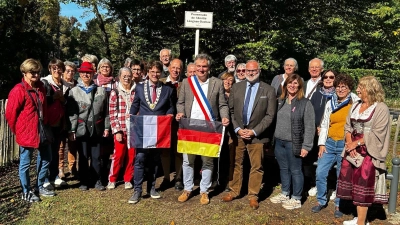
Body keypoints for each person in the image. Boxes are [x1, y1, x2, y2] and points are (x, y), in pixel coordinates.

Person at [222, 60, 277, 209]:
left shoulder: (268, 90)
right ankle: (234, 191)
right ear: (244, 71)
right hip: (238, 133)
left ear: (259, 71)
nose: (250, 73)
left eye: (253, 70)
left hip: (257, 135)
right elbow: (231, 110)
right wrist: (237, 129)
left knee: (256, 166)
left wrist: (254, 131)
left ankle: (253, 195)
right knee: (235, 163)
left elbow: (270, 115)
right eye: (248, 70)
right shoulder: (236, 87)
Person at [176, 53, 229, 205]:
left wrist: (225, 117)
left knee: (207, 160)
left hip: (209, 128)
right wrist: (180, 112)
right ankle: (187, 188)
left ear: (209, 68)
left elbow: (222, 104)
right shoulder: (187, 82)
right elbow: (180, 102)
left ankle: (204, 191)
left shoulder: (217, 83)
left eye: (204, 66)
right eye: (198, 66)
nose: (201, 69)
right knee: (188, 160)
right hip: (190, 127)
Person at [338, 76, 390, 225]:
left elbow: (378, 133)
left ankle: (361, 222)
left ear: (371, 90)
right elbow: (348, 126)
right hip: (352, 150)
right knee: (353, 184)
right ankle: (359, 218)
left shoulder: (381, 108)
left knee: (363, 184)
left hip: (368, 152)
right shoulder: (356, 105)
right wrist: (349, 143)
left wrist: (357, 143)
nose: (358, 90)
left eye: (361, 87)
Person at [5, 58, 55, 202]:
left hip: (42, 130)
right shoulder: (18, 90)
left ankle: (39, 185)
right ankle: (25, 191)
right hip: (27, 132)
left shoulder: (41, 87)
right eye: (32, 72)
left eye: (37, 72)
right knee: (25, 164)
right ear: (24, 73)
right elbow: (10, 114)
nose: (35, 75)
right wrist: (19, 131)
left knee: (47, 158)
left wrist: (45, 122)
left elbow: (44, 108)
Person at [128, 61, 176, 204]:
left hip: (158, 130)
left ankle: (152, 188)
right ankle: (137, 190)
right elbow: (135, 104)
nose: (155, 74)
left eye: (158, 72)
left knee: (155, 159)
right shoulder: (140, 87)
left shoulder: (168, 90)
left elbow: (171, 107)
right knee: (140, 158)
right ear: (148, 72)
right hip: (143, 128)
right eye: (152, 72)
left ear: (161, 73)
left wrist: (169, 114)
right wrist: (130, 116)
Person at [311, 73, 358, 218]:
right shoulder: (330, 102)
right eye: (338, 86)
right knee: (320, 172)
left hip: (345, 145)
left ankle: (339, 204)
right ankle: (321, 200)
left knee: (341, 176)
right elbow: (325, 124)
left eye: (344, 87)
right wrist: (321, 144)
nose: (341, 89)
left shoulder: (355, 102)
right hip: (330, 143)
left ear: (349, 88)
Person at [270, 74, 315, 210]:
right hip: (279, 142)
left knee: (295, 170)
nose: (292, 85)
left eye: (295, 83)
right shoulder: (280, 101)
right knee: (283, 169)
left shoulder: (305, 103)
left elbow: (310, 126)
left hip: (294, 143)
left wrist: (306, 146)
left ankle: (296, 198)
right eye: (290, 83)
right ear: (285, 85)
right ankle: (285, 193)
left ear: (300, 86)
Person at [67, 61, 110, 191]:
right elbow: (71, 113)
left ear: (93, 74)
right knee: (83, 155)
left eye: (89, 72)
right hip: (81, 128)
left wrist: (107, 127)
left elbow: (106, 111)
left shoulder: (101, 91)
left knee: (96, 156)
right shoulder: (73, 91)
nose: (86, 75)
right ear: (80, 74)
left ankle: (97, 180)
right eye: (84, 72)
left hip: (97, 128)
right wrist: (72, 129)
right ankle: (84, 181)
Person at [307, 70, 338, 197]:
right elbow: (310, 112)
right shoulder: (316, 94)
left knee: (332, 162)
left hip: (332, 134)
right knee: (316, 160)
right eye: (325, 76)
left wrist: (325, 129)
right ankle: (315, 184)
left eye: (331, 77)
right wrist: (315, 127)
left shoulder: (339, 95)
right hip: (316, 133)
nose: (328, 79)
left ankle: (332, 186)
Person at [41, 59, 71, 188]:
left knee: (55, 151)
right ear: (49, 69)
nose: (57, 71)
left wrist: (62, 98)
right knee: (45, 153)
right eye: (54, 68)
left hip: (60, 123)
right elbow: (42, 102)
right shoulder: (45, 83)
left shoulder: (66, 85)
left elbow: (67, 104)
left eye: (59, 68)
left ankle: (54, 176)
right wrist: (53, 97)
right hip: (47, 123)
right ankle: (43, 179)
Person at [107, 67, 136, 190]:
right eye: (124, 75)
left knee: (132, 155)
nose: (126, 78)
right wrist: (117, 130)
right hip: (121, 129)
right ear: (119, 77)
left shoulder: (136, 91)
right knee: (118, 155)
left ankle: (128, 179)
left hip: (134, 130)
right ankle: (112, 179)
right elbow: (112, 113)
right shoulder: (115, 92)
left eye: (129, 75)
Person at [159, 58, 184, 191]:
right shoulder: (161, 83)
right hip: (165, 123)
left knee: (179, 151)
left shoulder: (185, 83)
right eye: (173, 67)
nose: (175, 70)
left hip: (179, 123)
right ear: (169, 68)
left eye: (178, 68)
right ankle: (166, 177)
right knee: (165, 151)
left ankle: (179, 178)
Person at [94, 58, 117, 183]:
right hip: (99, 116)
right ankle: (100, 168)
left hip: (112, 114)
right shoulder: (95, 81)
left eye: (107, 67)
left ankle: (110, 167)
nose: (105, 69)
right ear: (99, 69)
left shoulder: (115, 82)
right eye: (102, 67)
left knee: (111, 143)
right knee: (100, 143)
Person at [60, 61, 78, 177]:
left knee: (73, 144)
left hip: (73, 117)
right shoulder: (59, 83)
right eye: (68, 70)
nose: (70, 73)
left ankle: (72, 167)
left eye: (72, 71)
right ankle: (60, 168)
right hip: (61, 118)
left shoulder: (77, 84)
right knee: (61, 145)